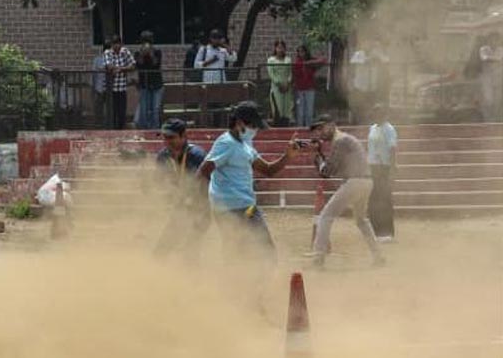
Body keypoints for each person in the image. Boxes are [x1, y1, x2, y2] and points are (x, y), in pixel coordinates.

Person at [199, 101, 299, 264]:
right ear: (239, 123)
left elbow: (268, 170)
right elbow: (203, 171)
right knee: (262, 252)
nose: (256, 130)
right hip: (232, 208)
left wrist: (288, 156)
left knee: (240, 252)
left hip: (244, 205)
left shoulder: (245, 143)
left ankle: (240, 278)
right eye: (253, 126)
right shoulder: (226, 143)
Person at [307, 115, 384, 268]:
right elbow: (331, 169)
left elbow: (327, 171)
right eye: (317, 130)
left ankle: (318, 259)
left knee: (325, 217)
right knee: (361, 220)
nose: (320, 133)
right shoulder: (344, 139)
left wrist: (317, 156)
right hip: (365, 181)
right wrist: (319, 154)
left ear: (331, 125)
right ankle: (379, 256)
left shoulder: (340, 141)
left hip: (355, 181)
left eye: (321, 128)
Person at [152, 118, 210, 261]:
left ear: (184, 135)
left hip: (202, 208)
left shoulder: (197, 156)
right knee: (161, 250)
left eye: (171, 137)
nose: (167, 141)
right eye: (164, 137)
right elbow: (160, 180)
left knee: (190, 249)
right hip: (181, 207)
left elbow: (206, 183)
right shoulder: (163, 156)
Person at [367, 104, 399, 242]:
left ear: (385, 115)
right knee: (373, 199)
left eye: (379, 113)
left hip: (384, 166)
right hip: (372, 166)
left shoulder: (389, 129)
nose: (377, 116)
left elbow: (392, 149)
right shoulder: (372, 128)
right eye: (375, 113)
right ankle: (374, 230)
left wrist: (392, 167)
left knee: (384, 199)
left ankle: (387, 232)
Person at [134, 31, 164, 130]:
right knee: (144, 109)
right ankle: (145, 129)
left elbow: (156, 64)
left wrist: (151, 54)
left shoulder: (157, 51)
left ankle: (155, 128)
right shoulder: (137, 53)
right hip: (144, 84)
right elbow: (139, 65)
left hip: (156, 84)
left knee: (155, 109)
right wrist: (142, 54)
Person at [292, 45, 327, 128]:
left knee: (309, 111)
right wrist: (304, 64)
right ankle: (300, 128)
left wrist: (309, 63)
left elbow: (323, 60)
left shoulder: (311, 61)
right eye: (299, 52)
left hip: (310, 89)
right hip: (299, 89)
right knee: (300, 111)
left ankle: (308, 127)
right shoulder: (297, 62)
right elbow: (295, 72)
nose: (301, 54)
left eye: (302, 51)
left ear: (306, 52)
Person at [105, 36, 135, 129]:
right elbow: (109, 66)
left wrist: (121, 69)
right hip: (111, 88)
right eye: (114, 44)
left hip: (122, 87)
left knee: (122, 112)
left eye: (118, 43)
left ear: (121, 44)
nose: (116, 46)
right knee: (113, 112)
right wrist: (122, 68)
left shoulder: (125, 51)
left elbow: (133, 65)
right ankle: (113, 130)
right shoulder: (108, 52)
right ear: (112, 45)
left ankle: (121, 129)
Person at [266, 40, 293, 127]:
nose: (280, 50)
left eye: (282, 48)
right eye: (279, 47)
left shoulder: (288, 60)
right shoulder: (271, 60)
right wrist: (279, 84)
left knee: (287, 108)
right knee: (278, 108)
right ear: (275, 48)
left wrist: (288, 83)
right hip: (276, 88)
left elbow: (290, 72)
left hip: (287, 87)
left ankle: (286, 126)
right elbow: (271, 74)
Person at [478, 35, 503, 120]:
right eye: (492, 39)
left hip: (498, 77)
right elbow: (484, 58)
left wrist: (491, 59)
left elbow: (499, 58)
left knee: (497, 100)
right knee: (488, 99)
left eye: (496, 40)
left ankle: (495, 118)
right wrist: (494, 59)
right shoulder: (483, 49)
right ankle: (487, 118)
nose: (494, 42)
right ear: (489, 40)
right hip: (487, 78)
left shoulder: (501, 49)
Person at [91, 44, 110, 127]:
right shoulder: (97, 60)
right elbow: (93, 73)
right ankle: (98, 123)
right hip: (99, 87)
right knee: (99, 106)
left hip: (110, 87)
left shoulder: (113, 59)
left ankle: (109, 123)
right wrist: (93, 86)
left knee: (109, 107)